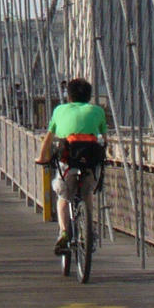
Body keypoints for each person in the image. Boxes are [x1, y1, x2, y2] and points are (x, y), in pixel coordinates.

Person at [37, 76, 109, 256]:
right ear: (89, 96)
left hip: (67, 161)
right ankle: (89, 227)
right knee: (87, 193)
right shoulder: (97, 111)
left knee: (63, 196)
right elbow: (104, 140)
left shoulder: (60, 110)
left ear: (69, 96)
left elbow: (48, 138)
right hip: (90, 161)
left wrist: (41, 157)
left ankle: (63, 232)